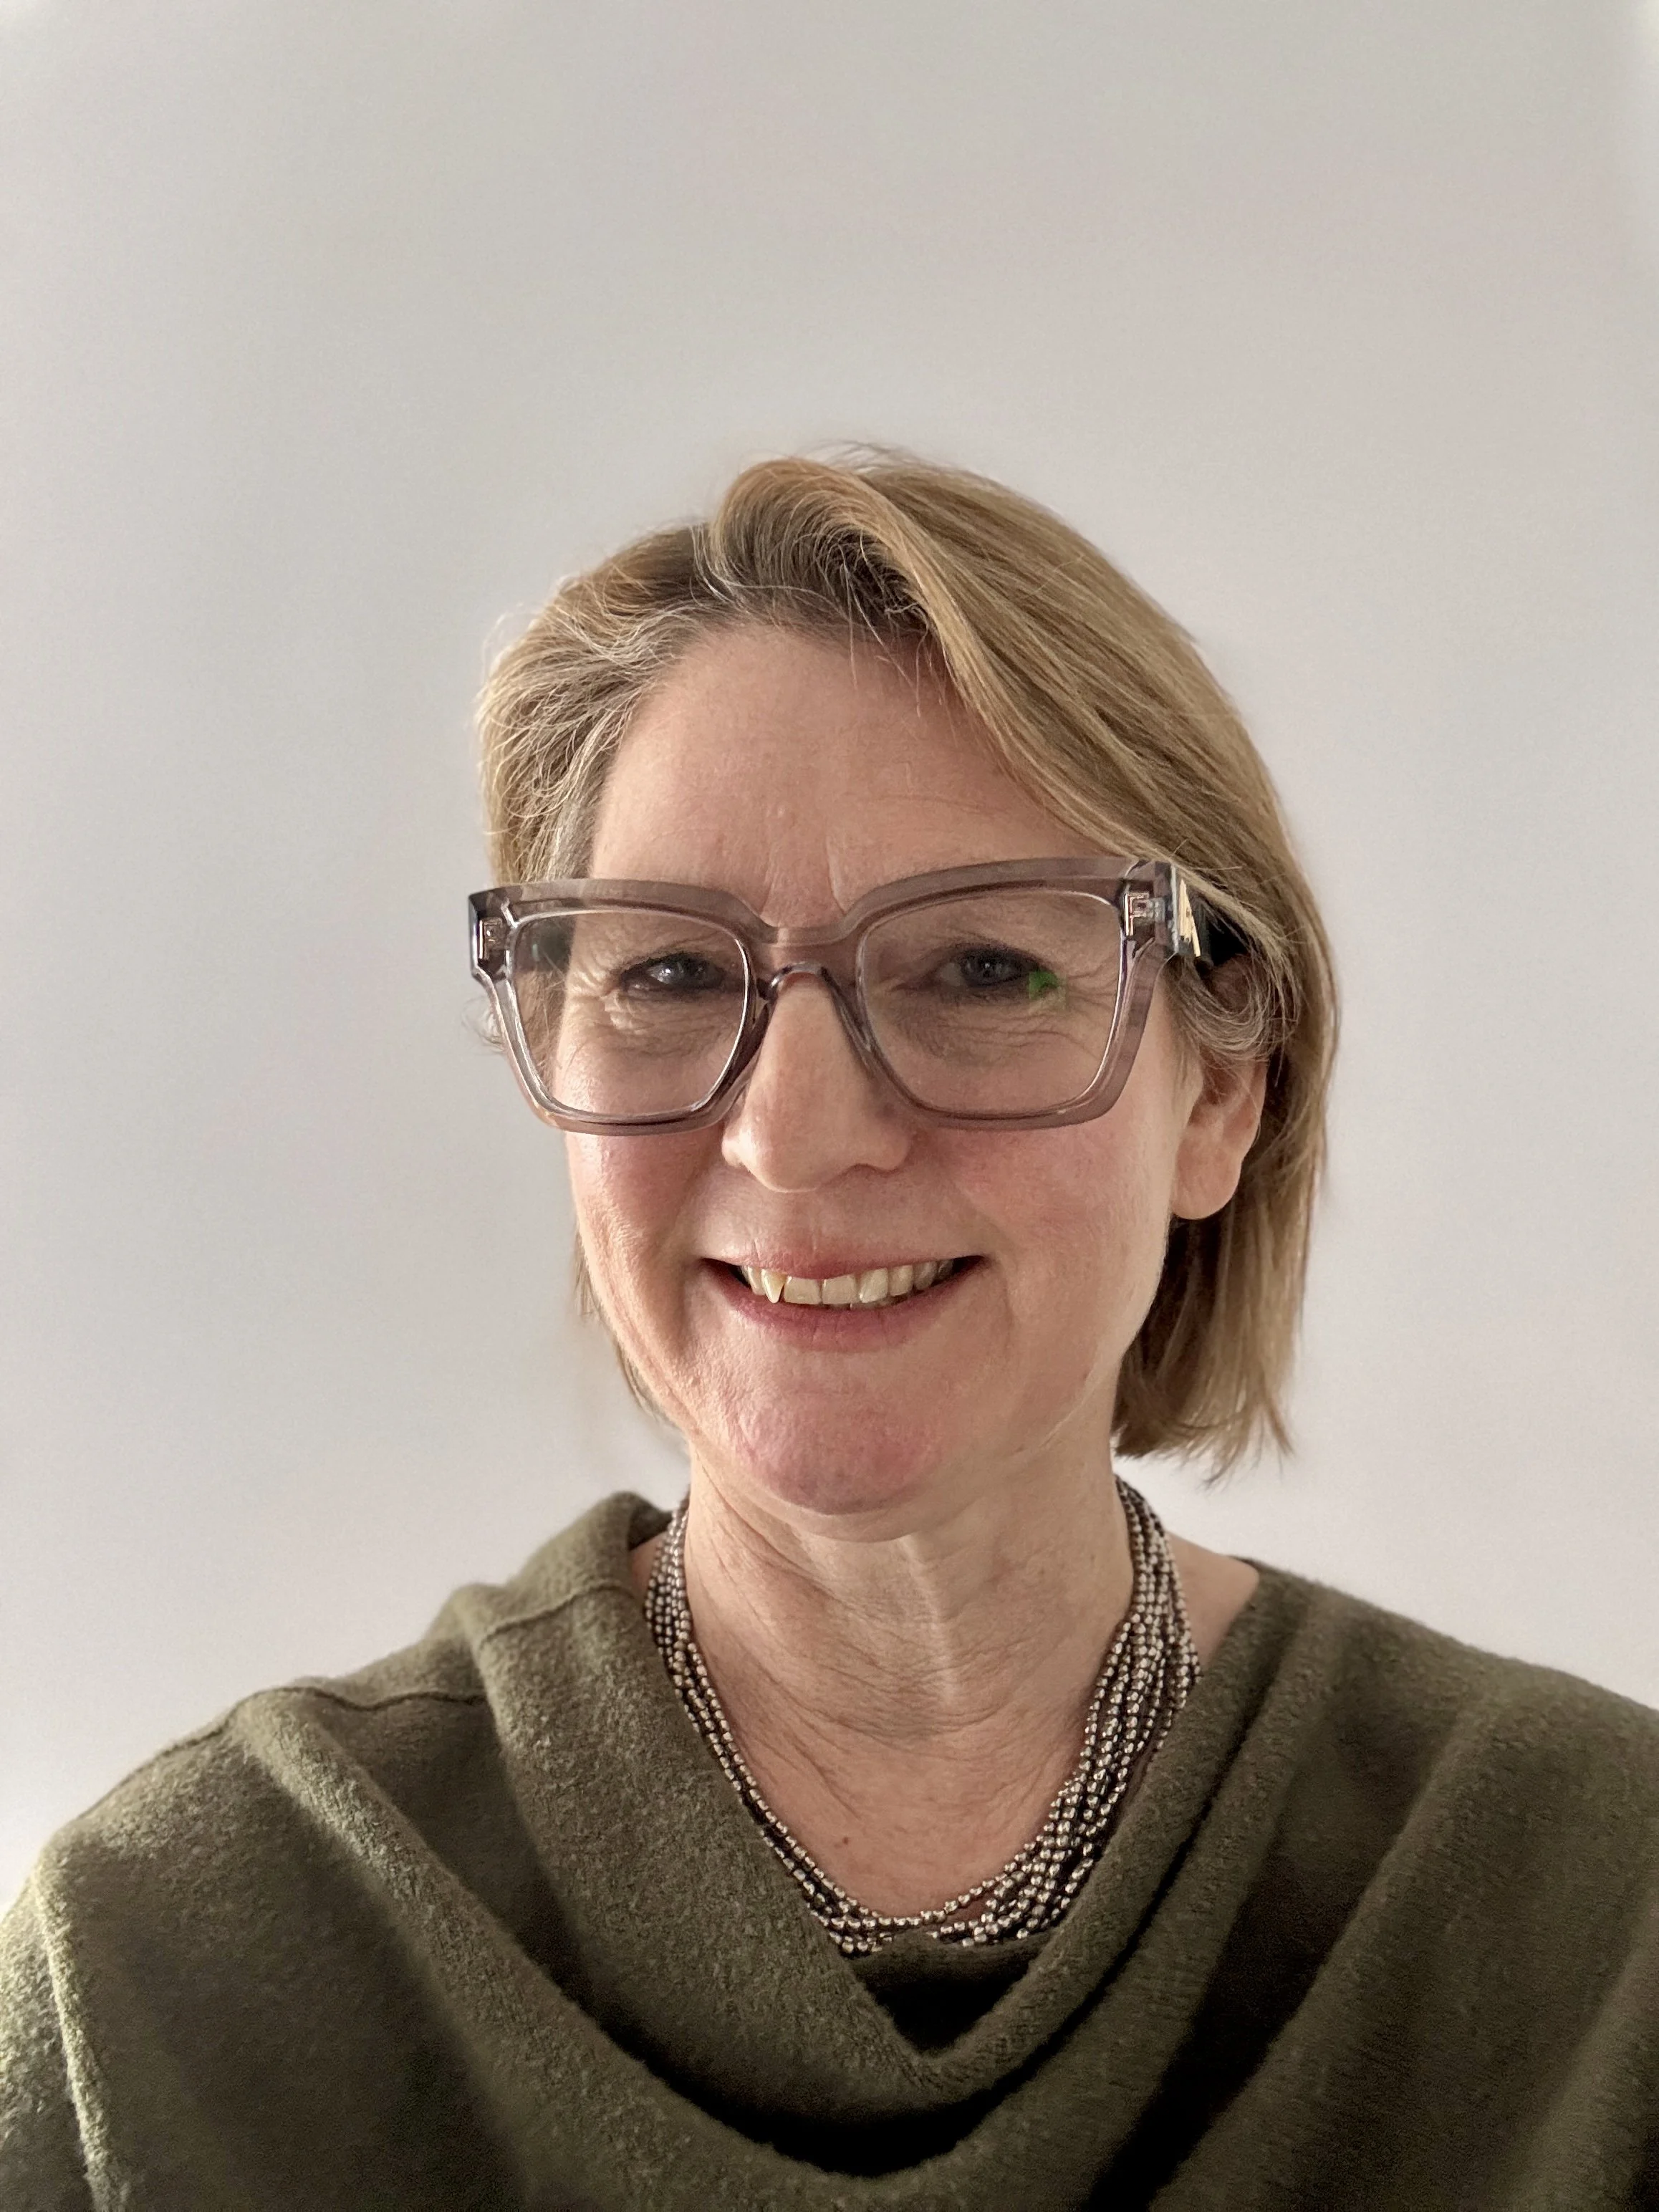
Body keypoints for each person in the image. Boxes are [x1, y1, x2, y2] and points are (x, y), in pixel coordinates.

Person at [4, 455, 1657, 2211]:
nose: (793, 1135)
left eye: (980, 968)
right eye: (667, 972)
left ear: (1218, 1094)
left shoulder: (1599, 1927)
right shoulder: (171, 1974)